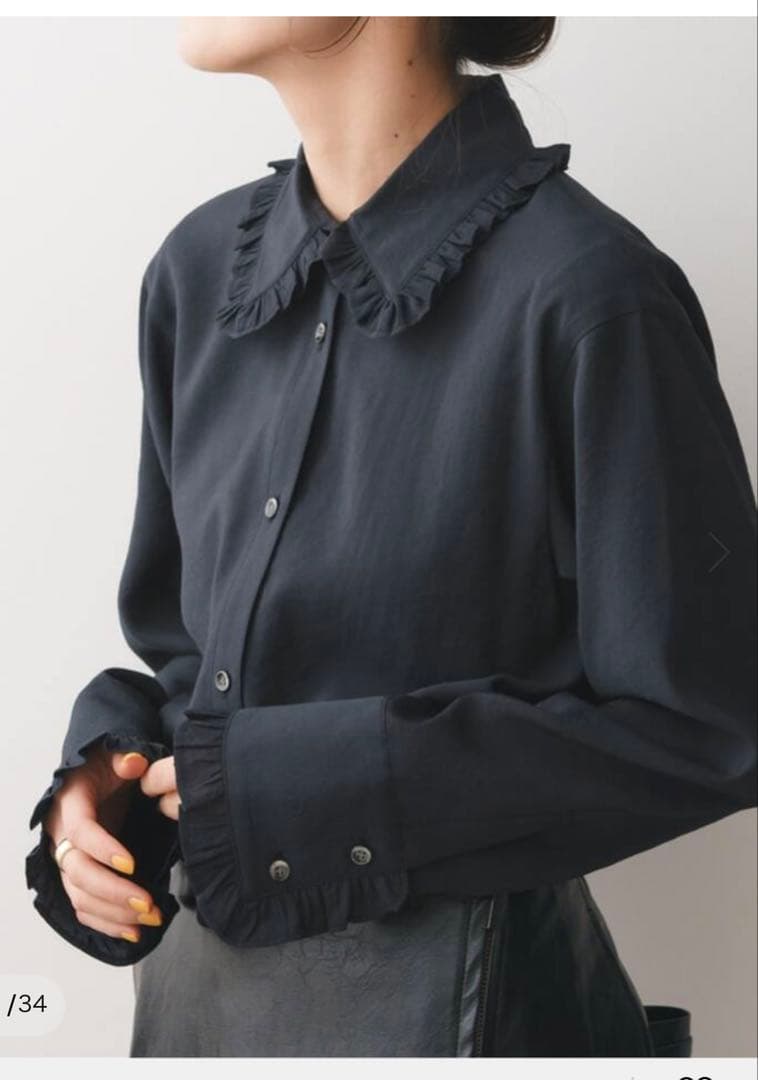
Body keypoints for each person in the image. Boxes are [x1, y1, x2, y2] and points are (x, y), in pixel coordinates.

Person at [25, 16, 757, 1058]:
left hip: (469, 1018)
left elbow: (710, 728)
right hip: (201, 1017)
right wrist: (111, 773)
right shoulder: (197, 275)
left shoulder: (590, 292)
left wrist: (312, 786)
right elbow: (192, 663)